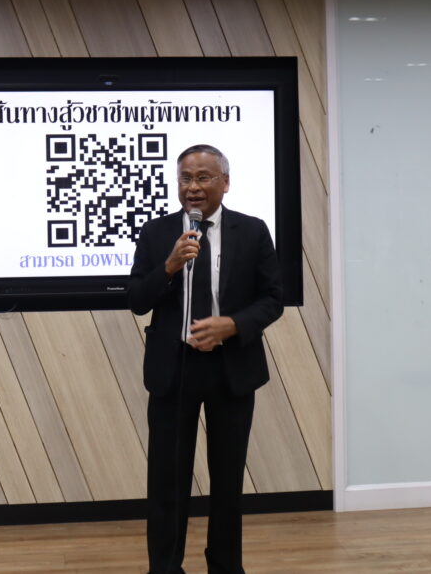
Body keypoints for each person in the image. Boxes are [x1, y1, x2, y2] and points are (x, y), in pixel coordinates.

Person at [128, 144, 283, 574]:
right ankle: (165, 567)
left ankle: (226, 566)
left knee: (228, 480)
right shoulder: (157, 233)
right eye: (185, 178)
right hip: (173, 369)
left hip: (231, 369)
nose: (192, 187)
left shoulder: (252, 231)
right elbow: (137, 299)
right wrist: (169, 265)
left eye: (203, 177)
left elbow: (273, 299)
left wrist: (232, 324)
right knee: (167, 480)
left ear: (225, 182)